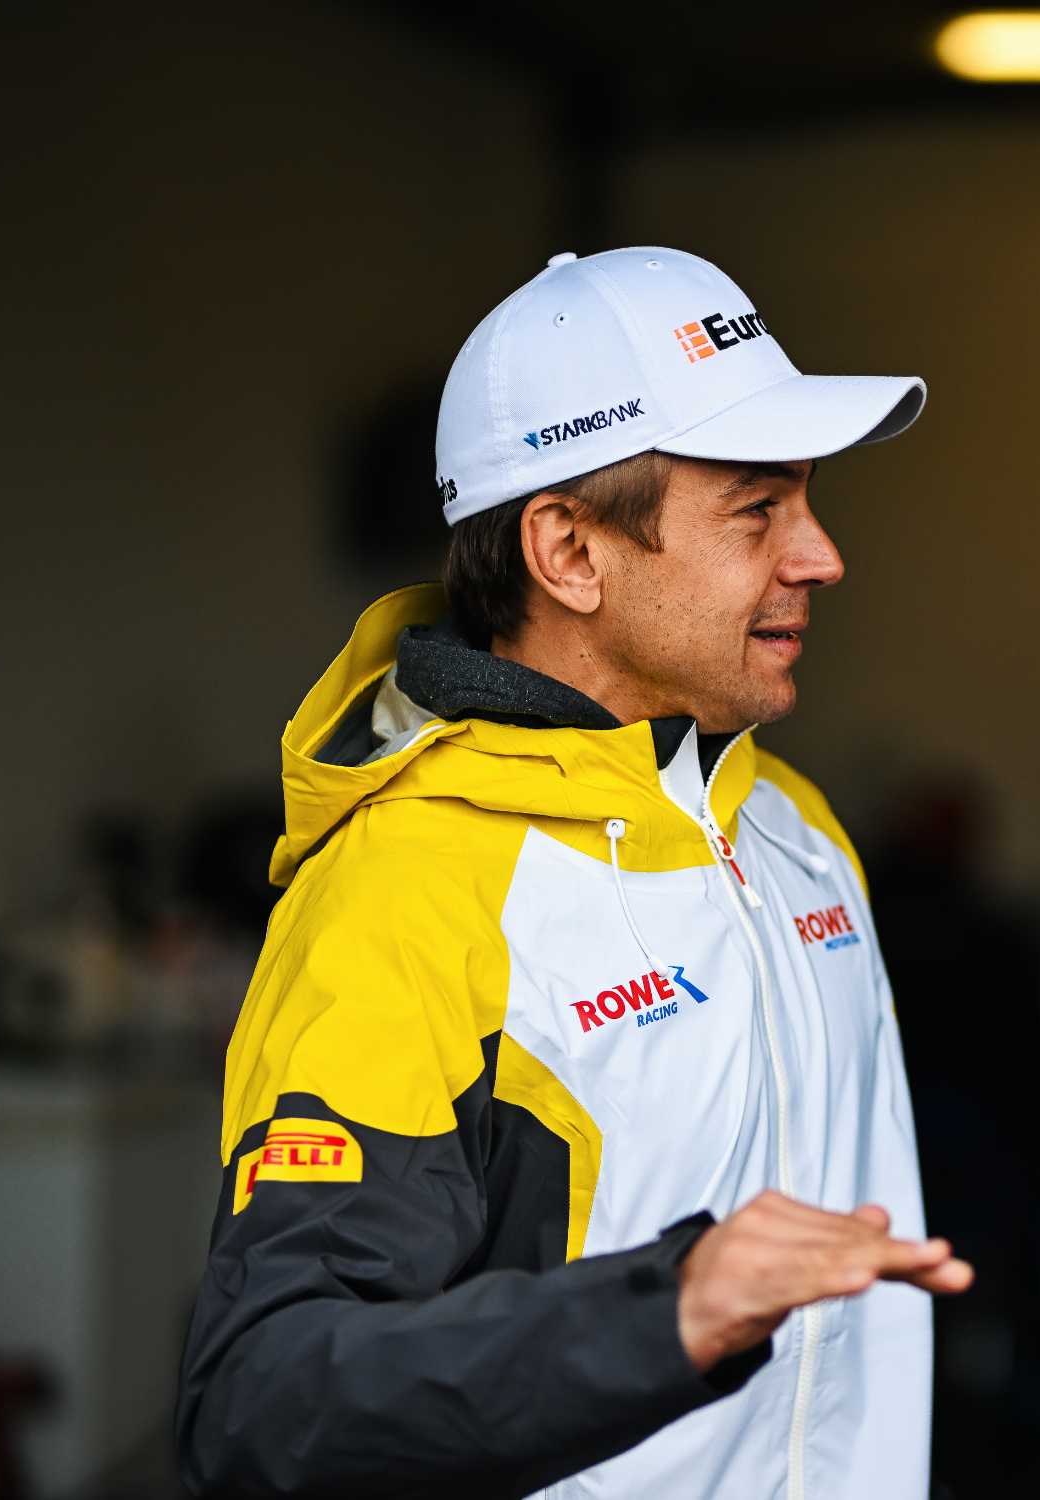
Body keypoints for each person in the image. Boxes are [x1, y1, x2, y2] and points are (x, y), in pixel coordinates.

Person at [176, 247, 966, 1499]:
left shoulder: (795, 827)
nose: (821, 556)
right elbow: (264, 1398)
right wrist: (665, 1314)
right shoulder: (400, 893)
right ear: (568, 551)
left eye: (807, 502)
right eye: (755, 510)